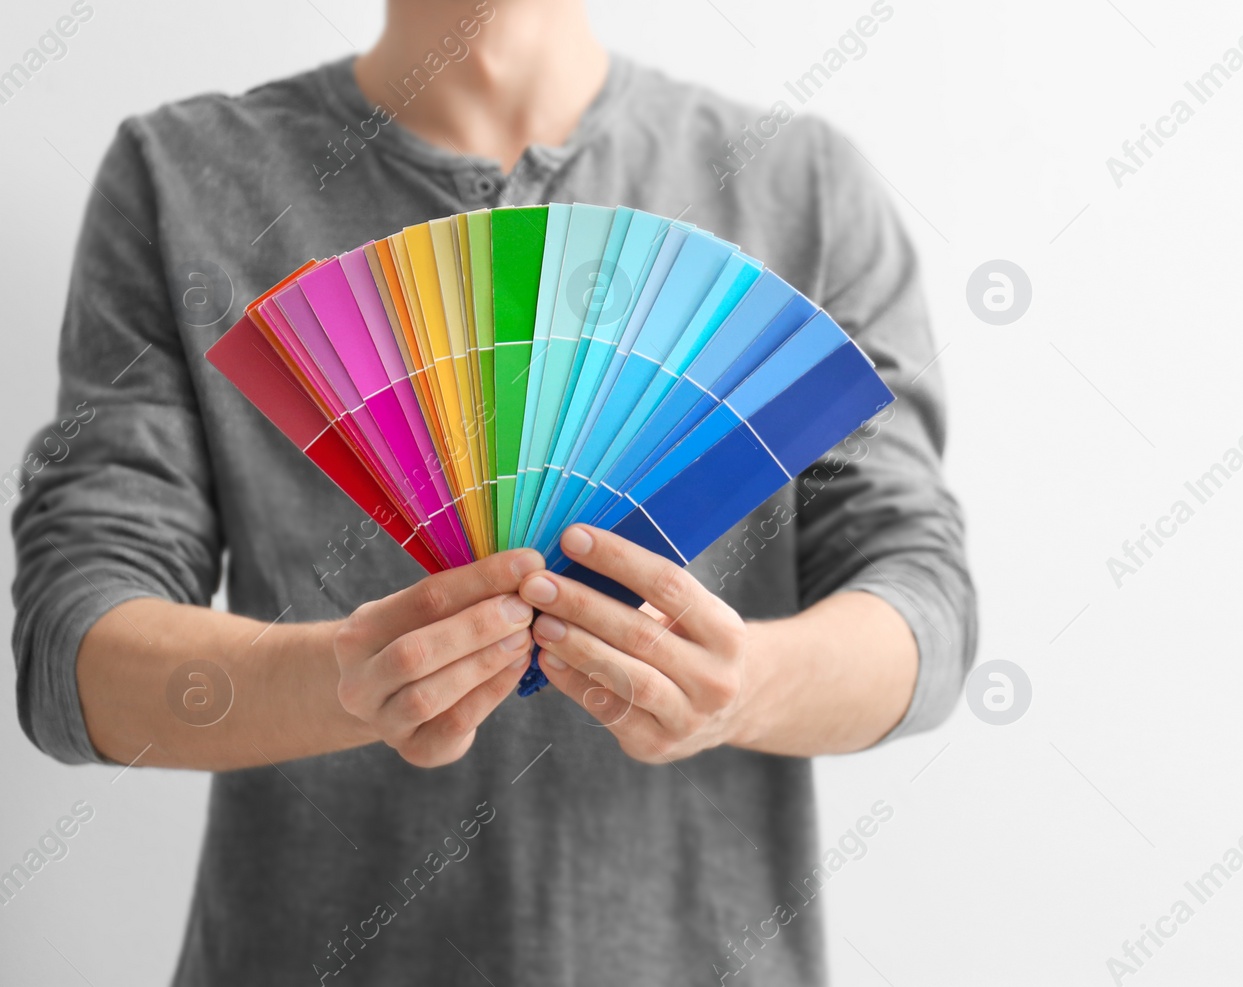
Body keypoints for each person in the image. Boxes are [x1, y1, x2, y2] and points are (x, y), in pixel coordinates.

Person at [10, 0, 976, 982]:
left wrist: (745, 688)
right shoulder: (182, 176)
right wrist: (342, 681)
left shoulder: (802, 185)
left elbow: (923, 607)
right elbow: (71, 651)